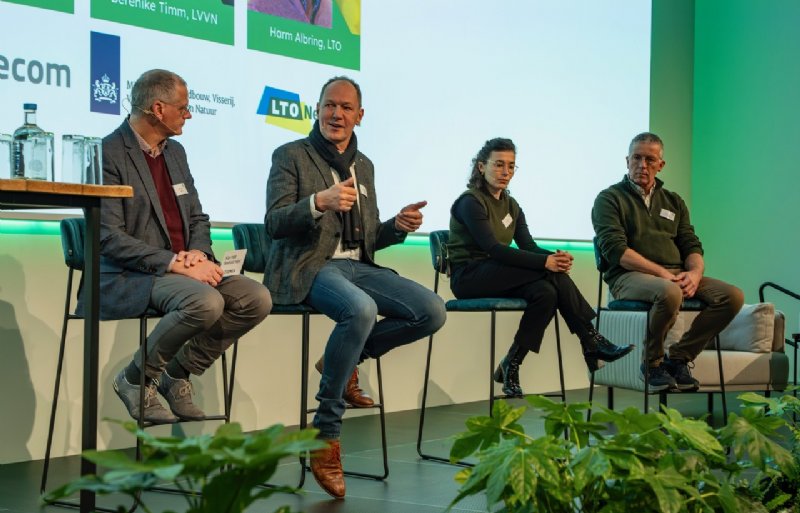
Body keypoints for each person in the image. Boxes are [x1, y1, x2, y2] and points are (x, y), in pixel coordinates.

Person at [264, 76, 446, 499]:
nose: (336, 114)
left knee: (432, 310)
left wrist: (397, 227)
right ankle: (325, 434)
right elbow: (274, 222)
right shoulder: (291, 155)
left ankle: (342, 363)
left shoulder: (364, 165)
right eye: (329, 105)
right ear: (316, 109)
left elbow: (368, 238)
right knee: (361, 310)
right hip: (310, 266)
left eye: (346, 107)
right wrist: (317, 203)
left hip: (357, 266)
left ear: (359, 116)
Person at [78, 69, 272, 424]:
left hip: (185, 269)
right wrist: (174, 262)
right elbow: (108, 237)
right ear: (157, 108)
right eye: (183, 108)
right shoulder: (108, 153)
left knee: (256, 298)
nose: (189, 114)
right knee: (206, 302)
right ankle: (135, 379)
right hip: (133, 273)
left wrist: (198, 253)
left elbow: (197, 216)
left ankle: (178, 371)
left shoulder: (176, 153)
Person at [448, 137, 634, 398]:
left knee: (546, 293)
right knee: (549, 272)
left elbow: (528, 246)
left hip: (497, 273)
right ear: (481, 166)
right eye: (499, 164)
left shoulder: (512, 205)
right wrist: (546, 263)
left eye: (511, 166)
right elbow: (494, 249)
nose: (505, 172)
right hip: (469, 276)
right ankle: (590, 340)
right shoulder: (470, 201)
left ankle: (512, 363)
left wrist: (554, 257)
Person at [592, 132, 744, 391]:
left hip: (674, 273)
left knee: (732, 296)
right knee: (670, 291)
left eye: (650, 159)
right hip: (627, 276)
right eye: (636, 158)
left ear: (660, 165)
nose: (642, 165)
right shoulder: (609, 198)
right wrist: (663, 274)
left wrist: (694, 274)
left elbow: (691, 245)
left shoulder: (674, 201)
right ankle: (652, 364)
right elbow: (617, 251)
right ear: (627, 161)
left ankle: (678, 359)